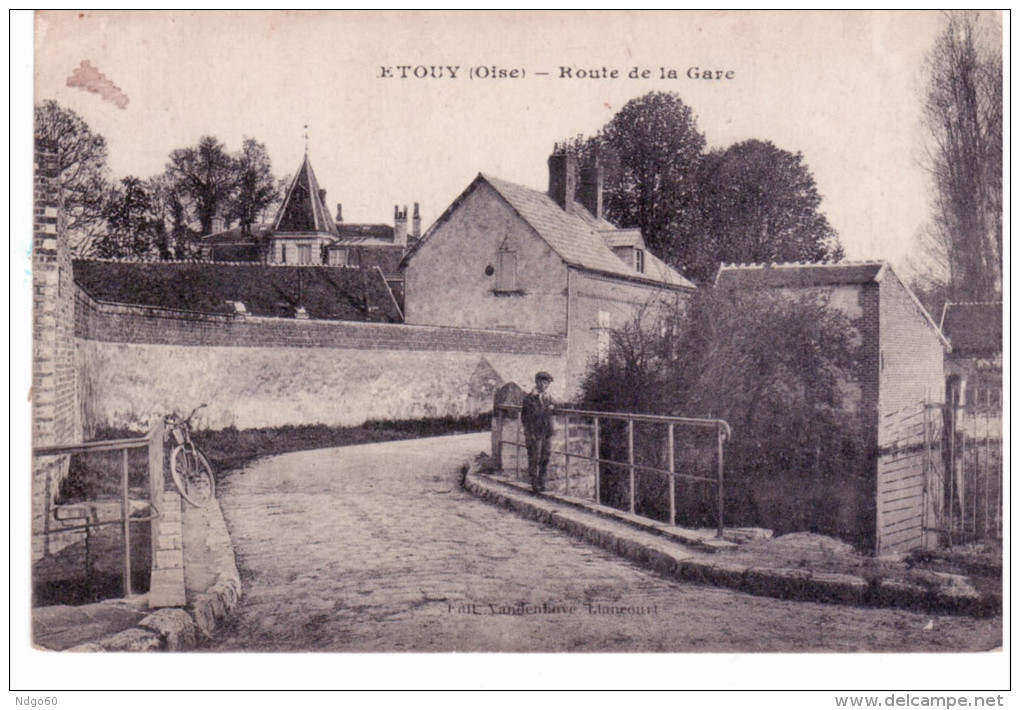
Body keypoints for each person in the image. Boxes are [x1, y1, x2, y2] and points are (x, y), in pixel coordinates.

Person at [521, 371, 555, 493]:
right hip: (535, 432)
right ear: (537, 382)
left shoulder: (549, 397)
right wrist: (530, 433)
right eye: (544, 382)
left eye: (548, 383)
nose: (546, 385)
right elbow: (525, 418)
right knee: (534, 457)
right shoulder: (530, 398)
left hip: (547, 432)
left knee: (545, 457)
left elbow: (554, 408)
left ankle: (542, 482)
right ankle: (534, 483)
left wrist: (552, 407)